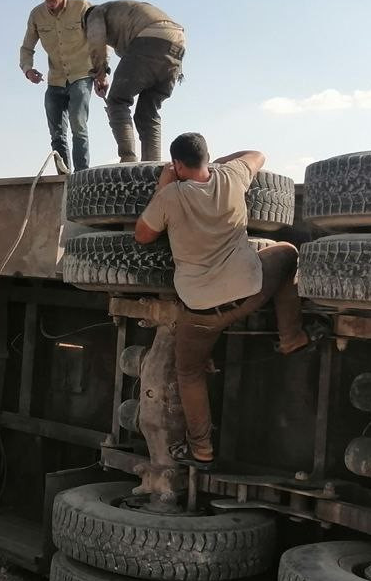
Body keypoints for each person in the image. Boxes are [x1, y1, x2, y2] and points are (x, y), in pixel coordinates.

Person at [134, 133, 312, 468]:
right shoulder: (232, 176)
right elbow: (257, 153)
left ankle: (201, 449)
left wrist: (162, 186)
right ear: (208, 158)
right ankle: (291, 337)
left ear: (177, 165)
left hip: (202, 311)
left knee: (188, 372)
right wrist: (221, 165)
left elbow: (142, 236)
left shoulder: (171, 196)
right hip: (250, 291)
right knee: (287, 252)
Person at [85, 0, 186, 163]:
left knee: (117, 101)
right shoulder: (126, 12)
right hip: (177, 46)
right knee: (148, 113)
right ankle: (152, 166)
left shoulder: (94, 14)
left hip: (150, 39)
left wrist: (100, 75)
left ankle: (128, 160)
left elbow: (97, 40)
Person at [19, 0, 93, 174]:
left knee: (79, 125)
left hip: (81, 74)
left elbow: (100, 38)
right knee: (57, 133)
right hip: (56, 79)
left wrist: (103, 72)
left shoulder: (82, 7)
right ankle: (64, 178)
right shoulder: (37, 15)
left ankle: (82, 175)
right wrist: (28, 69)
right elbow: (26, 48)